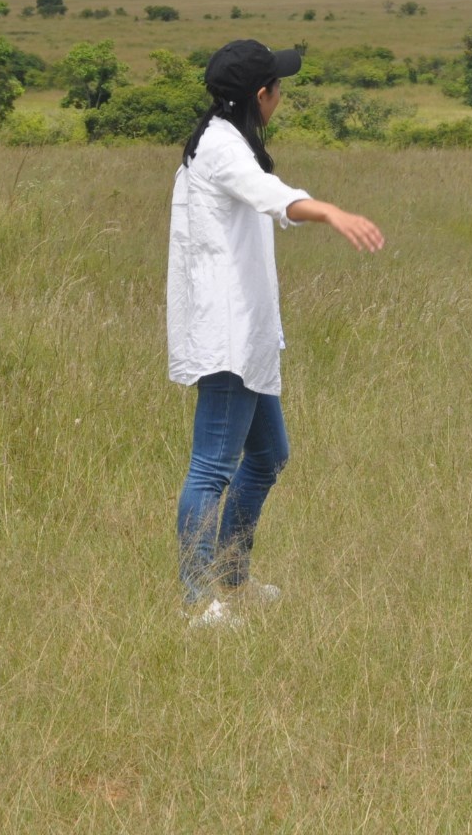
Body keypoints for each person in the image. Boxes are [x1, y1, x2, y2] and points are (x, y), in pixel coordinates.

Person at [167, 38, 384, 628]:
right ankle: (197, 601)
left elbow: (266, 197)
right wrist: (332, 212)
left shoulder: (225, 138)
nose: (282, 96)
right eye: (278, 88)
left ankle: (232, 579)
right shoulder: (222, 149)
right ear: (260, 96)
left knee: (267, 456)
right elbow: (275, 198)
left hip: (246, 334)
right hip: (228, 335)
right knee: (212, 467)